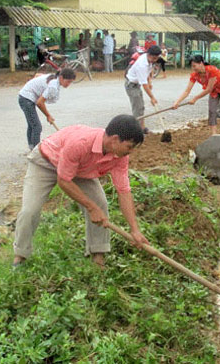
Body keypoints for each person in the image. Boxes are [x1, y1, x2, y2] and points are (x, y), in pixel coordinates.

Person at [13, 114, 149, 269]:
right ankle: (20, 256)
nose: (130, 152)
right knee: (30, 210)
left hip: (80, 169)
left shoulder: (119, 156)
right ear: (115, 139)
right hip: (46, 162)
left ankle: (98, 255)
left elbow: (124, 191)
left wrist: (135, 230)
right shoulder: (81, 143)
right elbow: (63, 181)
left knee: (100, 204)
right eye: (129, 147)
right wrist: (90, 208)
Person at [173, 55, 220, 135]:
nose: (193, 68)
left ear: (201, 63)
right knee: (212, 111)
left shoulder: (211, 70)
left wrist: (195, 98)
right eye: (192, 66)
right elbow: (187, 91)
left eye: (194, 66)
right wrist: (177, 102)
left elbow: (208, 89)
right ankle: (214, 134)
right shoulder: (194, 75)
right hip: (215, 91)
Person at [18, 68, 76, 151]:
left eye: (71, 82)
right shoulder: (53, 86)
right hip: (26, 99)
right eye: (68, 81)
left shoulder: (53, 78)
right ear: (61, 78)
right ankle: (36, 151)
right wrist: (48, 115)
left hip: (24, 96)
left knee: (32, 125)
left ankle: (32, 148)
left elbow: (38, 75)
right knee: (37, 126)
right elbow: (40, 103)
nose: (69, 84)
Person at [125, 45, 161, 133]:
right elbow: (144, 85)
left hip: (136, 85)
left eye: (156, 58)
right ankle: (137, 131)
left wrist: (150, 81)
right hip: (131, 85)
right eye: (154, 58)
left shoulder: (149, 60)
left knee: (141, 107)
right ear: (149, 54)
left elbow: (149, 72)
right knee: (137, 108)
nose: (154, 60)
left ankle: (142, 128)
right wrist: (152, 97)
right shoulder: (142, 64)